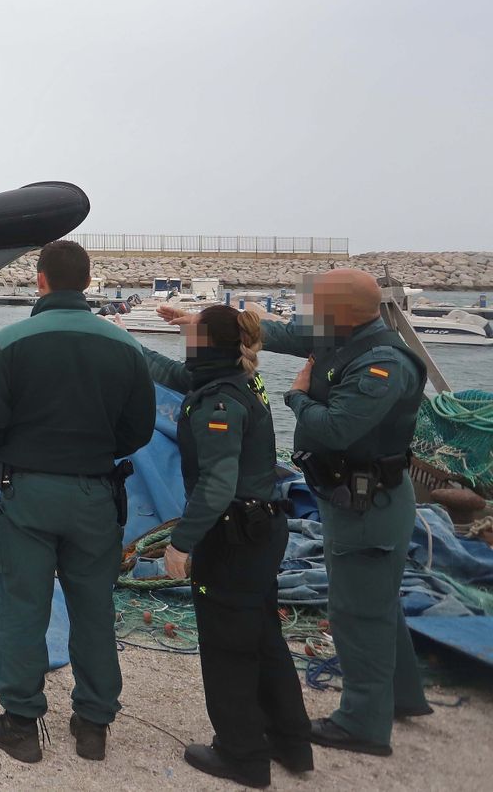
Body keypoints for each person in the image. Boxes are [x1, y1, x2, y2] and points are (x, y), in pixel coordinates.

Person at [161, 268, 431, 757]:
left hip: (370, 503)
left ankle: (363, 725)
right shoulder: (341, 335)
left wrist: (296, 396)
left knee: (357, 612)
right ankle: (402, 697)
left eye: (315, 303)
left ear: (341, 312)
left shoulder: (384, 363)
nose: (305, 310)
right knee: (377, 601)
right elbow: (272, 333)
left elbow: (336, 429)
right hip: (344, 496)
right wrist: (198, 324)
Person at [0, 240, 157, 764]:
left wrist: (14, 453)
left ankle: (21, 724)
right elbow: (139, 429)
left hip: (27, 493)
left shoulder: (7, 341)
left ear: (40, 280)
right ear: (89, 284)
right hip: (97, 493)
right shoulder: (126, 346)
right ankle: (93, 724)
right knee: (94, 608)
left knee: (24, 607)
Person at [141, 305, 312, 787]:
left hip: (234, 536)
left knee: (228, 646)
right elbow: (171, 371)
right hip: (260, 530)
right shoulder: (229, 376)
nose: (184, 342)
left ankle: (242, 755)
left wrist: (180, 543)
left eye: (192, 334)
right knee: (262, 634)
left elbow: (217, 483)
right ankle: (290, 741)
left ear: (207, 343)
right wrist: (123, 340)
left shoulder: (219, 401)